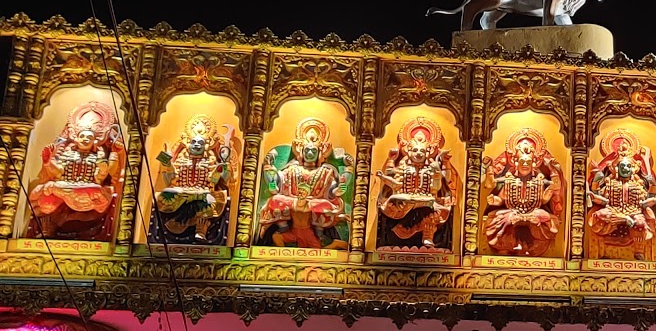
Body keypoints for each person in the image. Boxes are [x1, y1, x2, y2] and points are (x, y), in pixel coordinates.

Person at [24, 100, 125, 241]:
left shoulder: (99, 154)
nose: (85, 139)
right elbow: (57, 172)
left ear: (96, 140)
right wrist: (47, 161)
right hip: (65, 186)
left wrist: (110, 159)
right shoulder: (66, 151)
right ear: (75, 137)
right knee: (46, 200)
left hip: (88, 189)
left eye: (89, 137)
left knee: (95, 191)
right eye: (82, 136)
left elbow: (101, 177)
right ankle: (51, 226)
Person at [255, 116, 352, 249]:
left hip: (314, 203)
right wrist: (270, 172)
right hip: (292, 201)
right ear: (301, 152)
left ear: (319, 153)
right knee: (276, 200)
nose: (310, 153)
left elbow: (332, 191)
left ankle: (320, 233)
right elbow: (277, 183)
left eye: (314, 150)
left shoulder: (326, 171)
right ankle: (283, 228)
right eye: (307, 150)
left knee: (325, 206)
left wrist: (339, 189)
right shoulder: (293, 168)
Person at [374, 116, 459, 250]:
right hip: (404, 202)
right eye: (415, 150)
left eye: (422, 151)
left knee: (429, 208)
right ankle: (399, 234)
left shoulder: (431, 167)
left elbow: (439, 186)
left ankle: (427, 235)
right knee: (397, 201)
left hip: (427, 201)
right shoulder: (403, 165)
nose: (418, 154)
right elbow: (394, 183)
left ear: (428, 152)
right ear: (408, 151)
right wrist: (391, 160)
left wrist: (440, 171)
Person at [150, 114, 235, 245]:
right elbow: (170, 177)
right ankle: (177, 223)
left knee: (208, 198)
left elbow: (217, 180)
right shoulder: (182, 160)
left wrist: (222, 166)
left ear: (206, 146)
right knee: (165, 194)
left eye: (200, 143)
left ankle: (200, 230)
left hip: (202, 193)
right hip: (181, 192)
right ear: (187, 145)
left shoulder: (210, 161)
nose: (196, 145)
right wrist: (165, 158)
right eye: (193, 142)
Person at [482, 128, 564, 257]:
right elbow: (502, 199)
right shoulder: (509, 180)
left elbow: (543, 200)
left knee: (544, 218)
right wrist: (494, 201)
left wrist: (550, 185)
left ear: (534, 163)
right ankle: (509, 246)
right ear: (515, 162)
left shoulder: (539, 180)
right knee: (500, 219)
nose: (525, 164)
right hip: (512, 212)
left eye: (528, 162)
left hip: (534, 212)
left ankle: (530, 247)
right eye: (522, 161)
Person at [585, 131, 656, 260]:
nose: (626, 168)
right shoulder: (610, 183)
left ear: (633, 169)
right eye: (623, 166)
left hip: (634, 212)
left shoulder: (637, 184)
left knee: (640, 222)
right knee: (601, 215)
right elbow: (602, 200)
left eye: (628, 166)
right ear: (616, 168)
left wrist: (655, 198)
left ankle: (638, 251)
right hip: (613, 211)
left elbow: (643, 203)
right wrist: (594, 187)